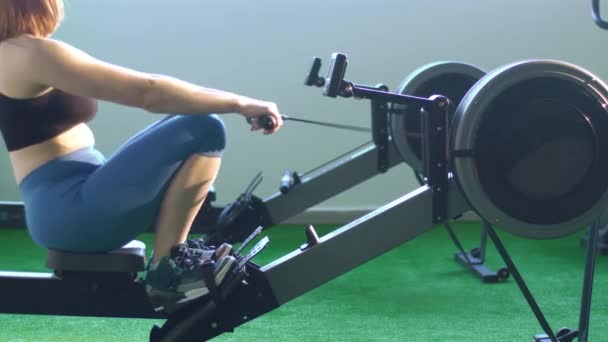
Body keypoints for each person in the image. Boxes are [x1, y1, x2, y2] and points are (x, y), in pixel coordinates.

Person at [0, 0, 283, 310]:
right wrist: (240, 103)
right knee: (204, 127)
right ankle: (168, 271)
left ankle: (174, 258)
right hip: (73, 211)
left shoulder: (17, 54)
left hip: (67, 204)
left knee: (182, 124)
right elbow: (148, 92)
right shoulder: (29, 54)